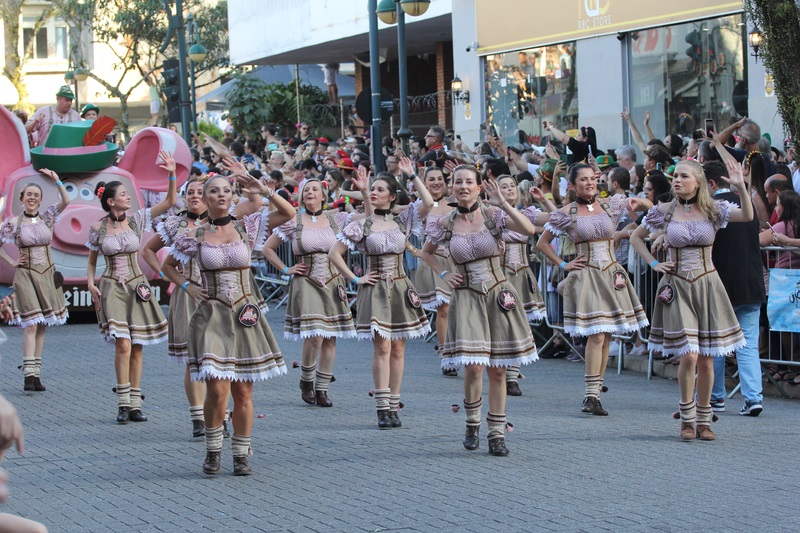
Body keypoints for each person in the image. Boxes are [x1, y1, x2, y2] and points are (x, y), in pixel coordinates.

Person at [162, 172, 295, 476]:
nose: (221, 195)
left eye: (227, 191)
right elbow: (167, 266)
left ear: (233, 197)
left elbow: (289, 214)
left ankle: (240, 453)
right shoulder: (193, 235)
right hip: (212, 315)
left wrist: (265, 190)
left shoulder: (247, 225)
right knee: (218, 389)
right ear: (205, 198)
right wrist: (186, 286)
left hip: (245, 315)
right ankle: (213, 449)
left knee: (244, 393)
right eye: (214, 191)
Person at [630, 158, 752, 441]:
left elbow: (747, 216)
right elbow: (636, 237)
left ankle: (704, 420)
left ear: (698, 181)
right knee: (689, 355)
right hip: (678, 285)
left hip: (708, 283)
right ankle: (686, 417)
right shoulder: (664, 211)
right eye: (675, 176)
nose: (677, 180)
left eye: (684, 176)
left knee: (707, 359)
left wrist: (740, 187)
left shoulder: (714, 209)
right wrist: (653, 263)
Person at [421, 165, 538, 456]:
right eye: (458, 182)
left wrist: (506, 204)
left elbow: (529, 229)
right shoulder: (445, 223)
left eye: (468, 182)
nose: (463, 186)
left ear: (478, 187)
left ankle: (496, 433)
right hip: (467, 296)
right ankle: (472, 423)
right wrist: (444, 275)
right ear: (452, 188)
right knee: (474, 366)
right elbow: (426, 252)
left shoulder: (493, 215)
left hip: (498, 292)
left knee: (498, 370)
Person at [537, 164, 648, 416]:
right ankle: (590, 394)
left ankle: (596, 390)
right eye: (583, 180)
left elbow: (650, 207)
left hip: (611, 273)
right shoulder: (567, 213)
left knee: (607, 333)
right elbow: (543, 244)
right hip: (587, 275)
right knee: (596, 334)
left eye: (592, 179)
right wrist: (564, 264)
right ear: (573, 185)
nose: (589, 183)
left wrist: (637, 201)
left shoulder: (611, 204)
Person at [329, 170, 431, 430]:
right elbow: (334, 253)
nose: (374, 192)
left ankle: (394, 403)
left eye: (380, 189)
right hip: (375, 288)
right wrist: (355, 278)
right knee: (382, 347)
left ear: (393, 196)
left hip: (399, 286)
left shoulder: (403, 220)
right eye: (372, 189)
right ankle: (382, 406)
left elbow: (428, 204)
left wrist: (412, 175)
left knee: (398, 348)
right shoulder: (362, 224)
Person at [86, 151, 178, 424]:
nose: (128, 197)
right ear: (111, 201)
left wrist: (171, 173)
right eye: (123, 194)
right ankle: (122, 402)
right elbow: (92, 262)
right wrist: (91, 283)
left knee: (137, 345)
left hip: (138, 285)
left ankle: (136, 404)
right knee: (123, 344)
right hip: (112, 286)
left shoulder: (137, 219)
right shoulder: (97, 228)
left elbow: (171, 201)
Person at [262, 177, 356, 407]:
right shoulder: (293, 221)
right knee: (314, 335)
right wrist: (286, 269)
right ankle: (306, 380)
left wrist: (363, 190)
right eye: (306, 189)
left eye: (315, 189)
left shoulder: (338, 219)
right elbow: (267, 248)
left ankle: (322, 388)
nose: (310, 192)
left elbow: (369, 219)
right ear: (301, 196)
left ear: (323, 196)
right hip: (307, 280)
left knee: (331, 337)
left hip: (333, 281)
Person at [704, 160, 765, 416]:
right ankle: (753, 398)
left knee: (717, 343)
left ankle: (716, 396)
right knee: (748, 344)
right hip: (752, 283)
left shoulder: (710, 209)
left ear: (711, 184)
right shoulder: (747, 204)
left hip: (722, 285)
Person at [0, 170, 70, 392]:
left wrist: (56, 179)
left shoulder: (47, 217)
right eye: (28, 194)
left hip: (47, 273)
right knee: (30, 324)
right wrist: (12, 262)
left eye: (36, 195)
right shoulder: (13, 222)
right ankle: (28, 375)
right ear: (22, 198)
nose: (32, 198)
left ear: (40, 199)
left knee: (42, 324)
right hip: (26, 274)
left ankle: (36, 373)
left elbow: (66, 200)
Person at [496, 174, 555, 395]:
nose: (510, 189)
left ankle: (512, 377)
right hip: (499, 274)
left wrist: (543, 199)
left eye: (512, 185)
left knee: (520, 324)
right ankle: (500, 371)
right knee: (500, 325)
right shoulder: (491, 214)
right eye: (504, 186)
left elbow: (557, 218)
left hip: (520, 273)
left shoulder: (526, 213)